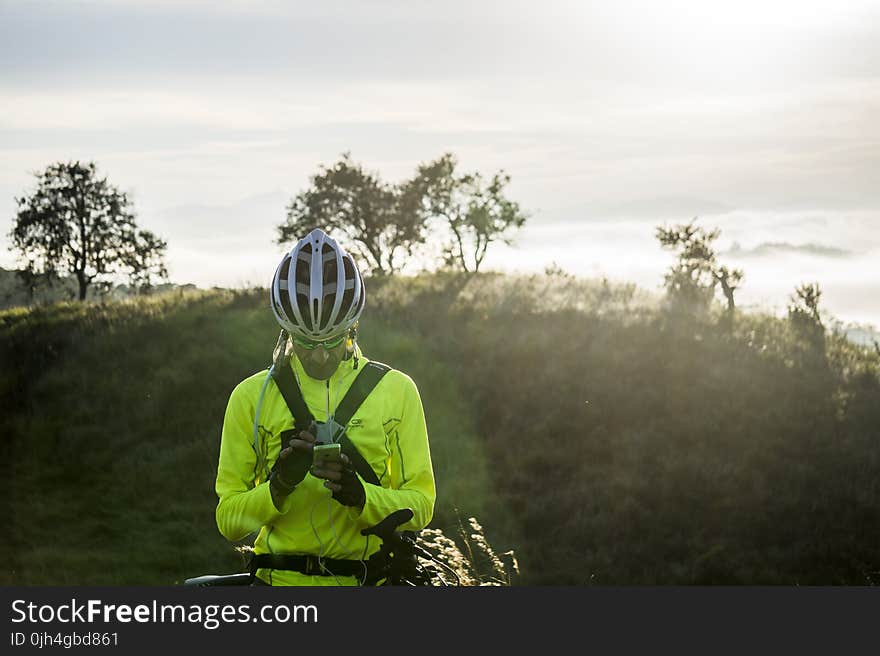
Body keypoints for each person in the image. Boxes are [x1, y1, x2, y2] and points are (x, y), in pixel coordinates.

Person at [214, 228, 436, 585]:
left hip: (366, 582)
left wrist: (364, 497)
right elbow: (228, 520)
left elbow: (422, 505)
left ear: (353, 326)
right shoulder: (249, 397)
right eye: (305, 340)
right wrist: (278, 487)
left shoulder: (398, 390)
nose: (319, 354)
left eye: (332, 339)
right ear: (286, 331)